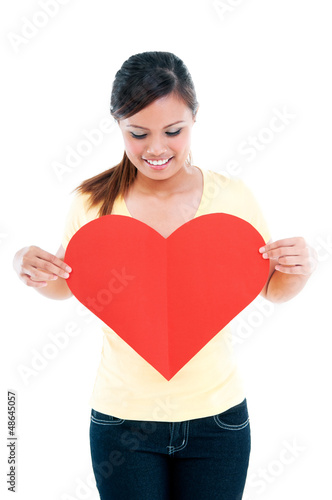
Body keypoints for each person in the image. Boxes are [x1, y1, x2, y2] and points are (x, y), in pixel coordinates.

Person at [13, 51, 317, 499]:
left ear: (195, 119)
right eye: (138, 134)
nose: (156, 149)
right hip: (122, 421)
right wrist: (25, 261)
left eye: (173, 131)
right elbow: (67, 281)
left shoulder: (232, 198)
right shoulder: (94, 203)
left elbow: (270, 287)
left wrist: (300, 268)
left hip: (218, 420)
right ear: (118, 125)